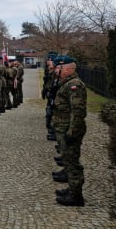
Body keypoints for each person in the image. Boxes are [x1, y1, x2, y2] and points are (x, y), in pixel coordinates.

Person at [51, 56, 87, 207]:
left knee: (72, 163)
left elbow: (77, 112)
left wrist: (72, 132)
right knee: (67, 159)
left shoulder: (75, 85)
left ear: (67, 69)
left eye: (59, 68)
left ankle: (76, 196)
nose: (57, 70)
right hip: (63, 127)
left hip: (69, 129)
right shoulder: (67, 83)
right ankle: (72, 189)